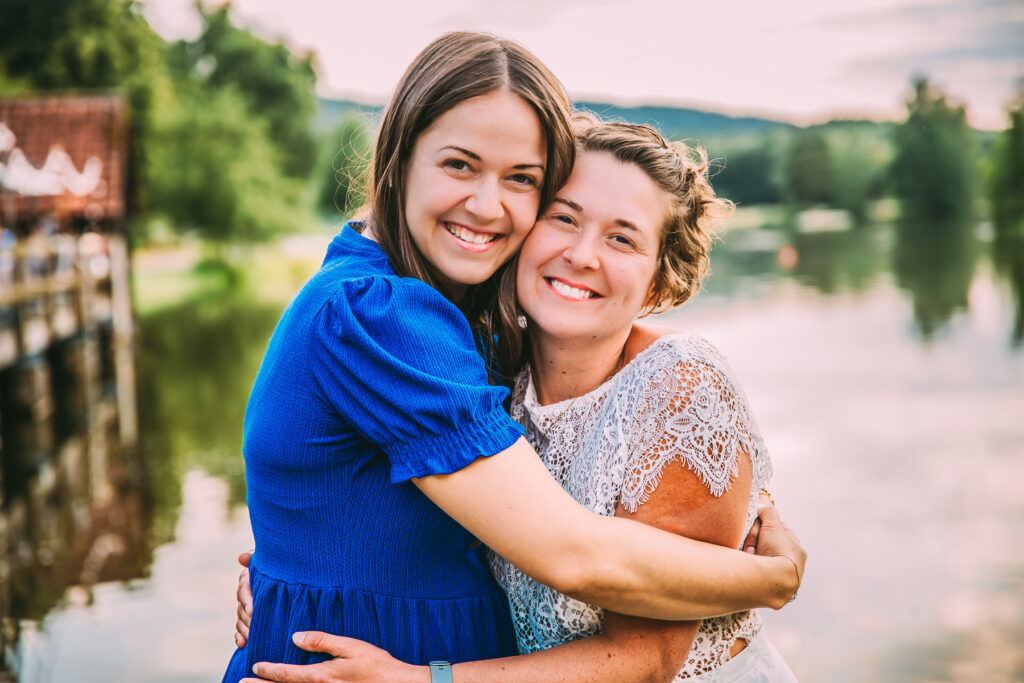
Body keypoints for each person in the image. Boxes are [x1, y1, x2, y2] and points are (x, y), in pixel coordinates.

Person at [223, 32, 804, 683]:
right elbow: (570, 554)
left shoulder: (468, 330)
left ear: (659, 281)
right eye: (459, 165)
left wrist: (293, 566)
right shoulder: (381, 313)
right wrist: (770, 578)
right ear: (401, 157)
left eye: (521, 179)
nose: (487, 204)